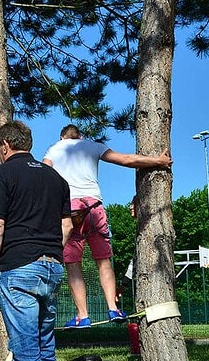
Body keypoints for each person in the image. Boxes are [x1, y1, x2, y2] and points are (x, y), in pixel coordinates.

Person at [0, 120, 70, 361]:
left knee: (25, 350)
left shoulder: (3, 174)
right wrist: (53, 255)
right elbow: (66, 227)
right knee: (45, 345)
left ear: (5, 145)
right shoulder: (56, 179)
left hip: (19, 267)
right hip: (51, 267)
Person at [42, 124, 171, 328]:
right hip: (94, 209)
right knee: (103, 261)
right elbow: (127, 160)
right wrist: (159, 161)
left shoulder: (55, 149)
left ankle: (82, 316)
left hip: (70, 211)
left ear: (62, 137)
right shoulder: (93, 146)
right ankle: (113, 308)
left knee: (73, 264)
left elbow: (43, 174)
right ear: (81, 136)